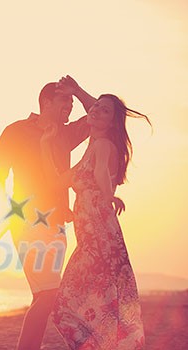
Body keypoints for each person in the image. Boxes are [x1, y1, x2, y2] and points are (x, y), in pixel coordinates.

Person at [0, 77, 95, 349]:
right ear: (46, 102)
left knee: (43, 298)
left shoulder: (66, 134)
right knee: (50, 295)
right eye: (65, 101)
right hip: (26, 222)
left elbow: (101, 115)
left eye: (71, 102)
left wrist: (78, 90)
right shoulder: (16, 131)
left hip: (58, 225)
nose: (70, 107)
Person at [42, 94, 149, 349]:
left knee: (67, 303)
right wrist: (45, 144)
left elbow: (101, 171)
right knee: (90, 303)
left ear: (112, 123)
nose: (97, 110)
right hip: (91, 241)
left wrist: (108, 195)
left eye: (105, 111)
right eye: (96, 106)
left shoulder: (103, 145)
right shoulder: (90, 149)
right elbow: (56, 181)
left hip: (100, 239)